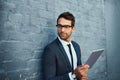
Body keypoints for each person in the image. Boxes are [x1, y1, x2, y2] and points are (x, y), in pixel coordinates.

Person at [43, 12, 89, 80]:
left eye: (66, 26)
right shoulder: (50, 49)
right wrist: (72, 75)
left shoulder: (76, 46)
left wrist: (81, 75)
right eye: (59, 26)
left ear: (73, 28)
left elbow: (78, 70)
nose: (62, 30)